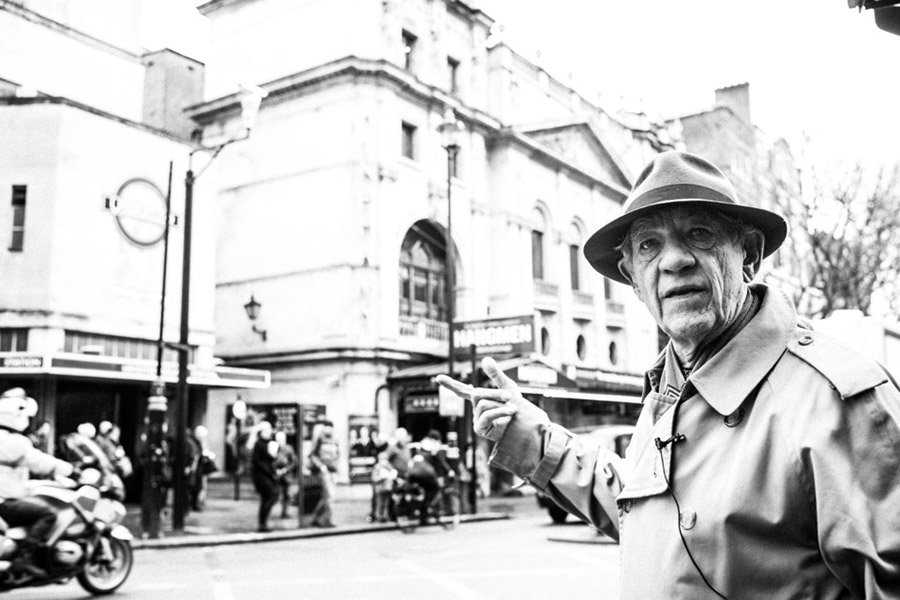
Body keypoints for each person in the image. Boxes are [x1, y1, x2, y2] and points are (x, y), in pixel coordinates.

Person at [437, 150, 900, 599]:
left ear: (749, 255)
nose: (673, 260)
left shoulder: (838, 400)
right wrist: (530, 434)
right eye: (648, 244)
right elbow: (650, 514)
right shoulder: (671, 386)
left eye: (698, 234)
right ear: (633, 277)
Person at [0, 388, 74, 578]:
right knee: (48, 514)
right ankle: (25, 560)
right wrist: (70, 469)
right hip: (5, 502)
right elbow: (40, 462)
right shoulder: (15, 441)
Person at [407, 430, 453, 522]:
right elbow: (440, 461)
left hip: (413, 472)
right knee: (434, 488)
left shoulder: (420, 444)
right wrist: (449, 471)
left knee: (420, 490)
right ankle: (426, 508)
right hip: (425, 473)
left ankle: (420, 513)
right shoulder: (433, 446)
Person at [307, 422, 339, 528]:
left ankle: (315, 518)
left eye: (330, 427)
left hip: (333, 471)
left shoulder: (335, 440)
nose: (328, 430)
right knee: (330, 495)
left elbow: (338, 454)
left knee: (326, 497)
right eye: (327, 427)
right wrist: (321, 466)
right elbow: (312, 455)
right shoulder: (319, 439)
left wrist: (337, 466)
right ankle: (327, 520)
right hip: (324, 471)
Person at [273, 431, 296, 519]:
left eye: (281, 439)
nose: (279, 441)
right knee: (277, 494)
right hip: (277, 475)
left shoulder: (288, 449)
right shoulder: (274, 448)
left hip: (287, 475)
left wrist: (285, 470)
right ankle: (280, 511)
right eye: (277, 439)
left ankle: (285, 512)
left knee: (287, 494)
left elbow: (293, 462)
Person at [370, 451, 396, 523]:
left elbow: (392, 474)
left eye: (386, 459)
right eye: (383, 459)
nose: (384, 461)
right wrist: (381, 477)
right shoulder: (377, 467)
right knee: (380, 503)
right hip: (379, 488)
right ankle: (379, 517)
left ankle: (385, 516)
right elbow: (374, 478)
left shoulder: (389, 466)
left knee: (386, 503)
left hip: (387, 487)